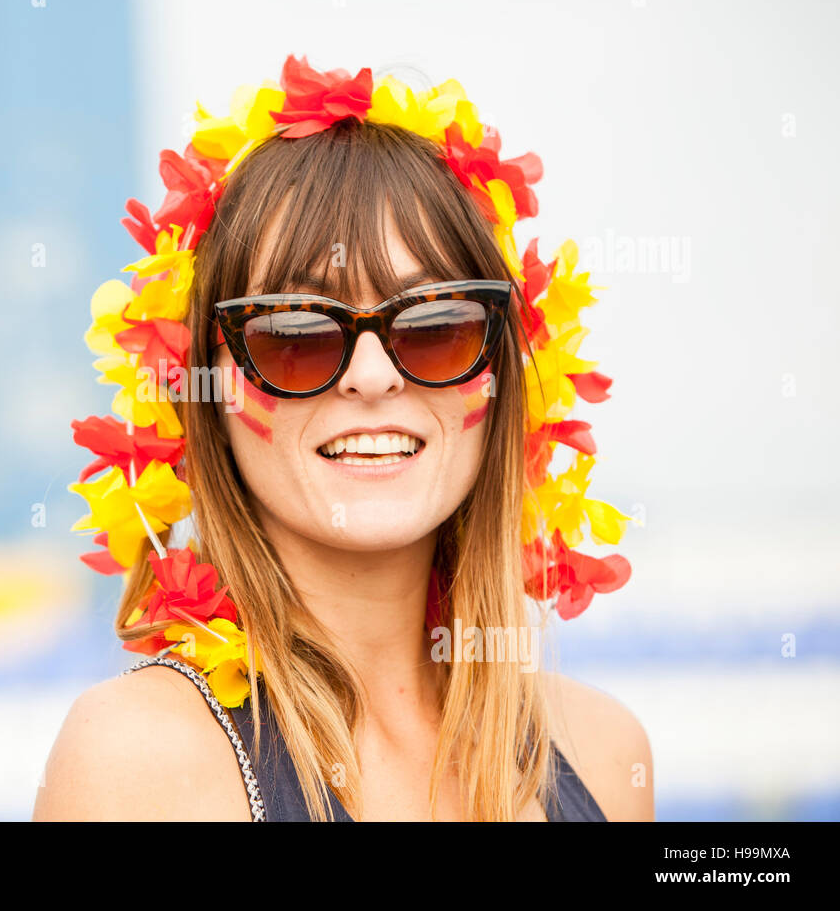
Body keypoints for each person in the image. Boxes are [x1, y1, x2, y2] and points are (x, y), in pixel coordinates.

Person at [35, 56, 652, 821]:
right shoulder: (142, 760)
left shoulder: (605, 751)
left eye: (436, 327)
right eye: (296, 333)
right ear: (203, 396)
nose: (370, 376)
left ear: (505, 378)